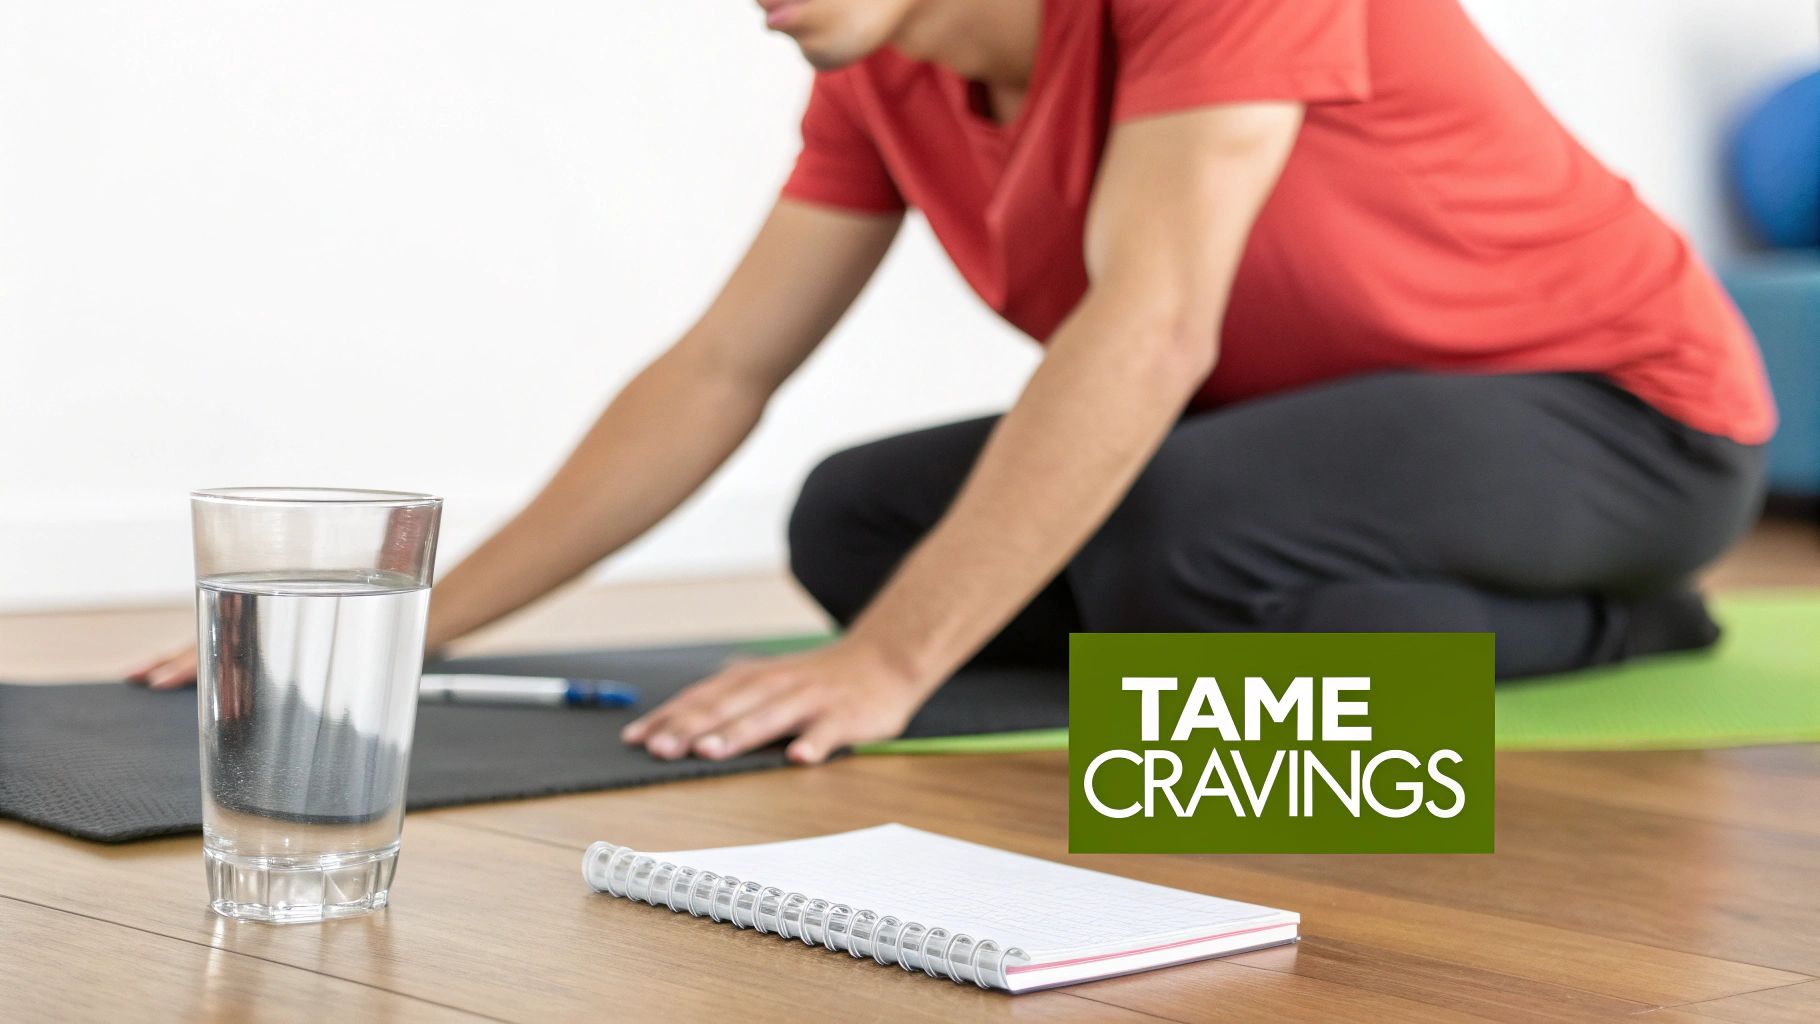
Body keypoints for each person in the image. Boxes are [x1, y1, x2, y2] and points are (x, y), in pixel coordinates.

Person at [132, 0, 1774, 766]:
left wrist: (892, 667)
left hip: (1620, 412)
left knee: (1156, 541)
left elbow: (1149, 330)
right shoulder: (884, 79)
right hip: (1294, 443)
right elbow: (720, 368)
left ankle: (1633, 620)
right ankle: (1243, 613)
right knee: (862, 519)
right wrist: (414, 624)